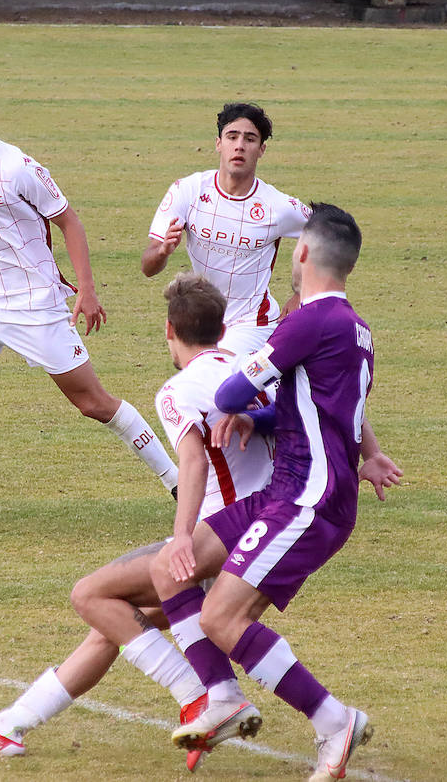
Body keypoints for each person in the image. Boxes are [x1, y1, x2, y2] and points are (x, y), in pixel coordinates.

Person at [0, 273, 276, 773]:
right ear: (223, 330)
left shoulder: (178, 389)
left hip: (218, 536)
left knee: (90, 595)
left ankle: (202, 697)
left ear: (168, 330)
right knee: (113, 625)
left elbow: (193, 464)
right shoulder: (254, 370)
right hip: (269, 532)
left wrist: (182, 538)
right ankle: (8, 728)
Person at [149, 203, 403, 782]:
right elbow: (322, 406)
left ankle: (333, 720)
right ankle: (221, 696)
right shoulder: (357, 329)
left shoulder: (308, 321)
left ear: (305, 252)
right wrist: (363, 453)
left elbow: (236, 388)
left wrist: (235, 407)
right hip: (291, 490)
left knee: (221, 616)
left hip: (306, 499)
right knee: (172, 567)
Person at [0, 72, 177, 520]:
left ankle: (179, 483)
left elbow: (70, 222)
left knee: (94, 404)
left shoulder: (19, 167)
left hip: (37, 306)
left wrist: (88, 291)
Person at [142, 103, 311, 357]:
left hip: (252, 323)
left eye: (250, 139)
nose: (240, 145)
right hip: (204, 319)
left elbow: (333, 234)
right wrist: (163, 251)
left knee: (216, 379)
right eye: (232, 137)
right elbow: (148, 267)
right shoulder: (188, 191)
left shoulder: (277, 206)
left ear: (261, 149)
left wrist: (302, 295)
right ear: (219, 143)